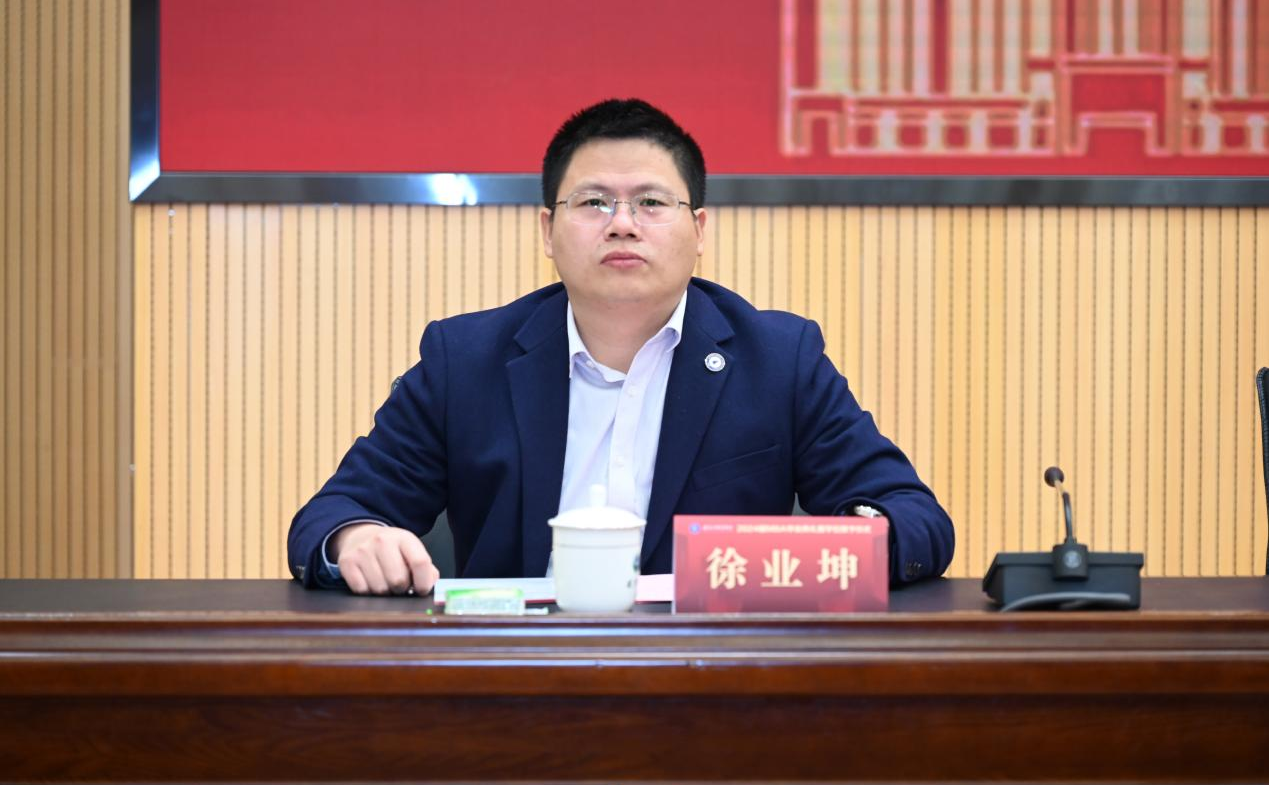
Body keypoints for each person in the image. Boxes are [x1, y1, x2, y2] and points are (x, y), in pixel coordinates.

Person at [287, 99, 954, 595]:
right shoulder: (464, 360)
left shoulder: (778, 359)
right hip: (514, 676)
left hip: (714, 676)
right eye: (593, 203)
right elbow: (330, 517)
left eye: (651, 203)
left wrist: (851, 539)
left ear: (698, 230)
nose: (623, 225)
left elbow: (916, 519)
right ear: (547, 231)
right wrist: (357, 537)